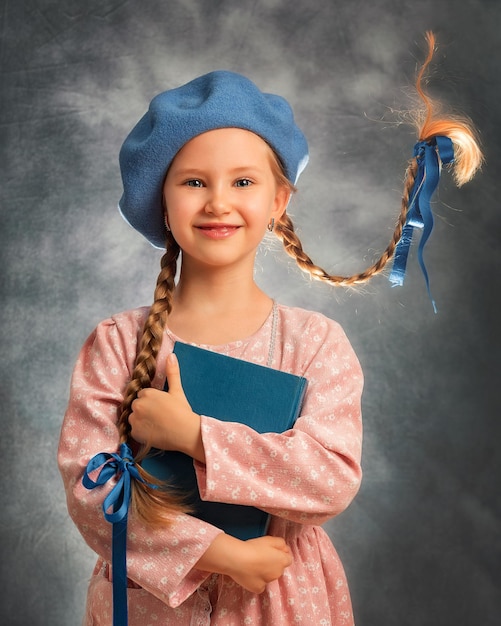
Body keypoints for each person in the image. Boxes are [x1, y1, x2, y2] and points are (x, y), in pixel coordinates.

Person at [58, 33, 482, 626]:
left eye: (243, 181)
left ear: (281, 199)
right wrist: (223, 554)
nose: (217, 203)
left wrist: (196, 436)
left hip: (281, 599)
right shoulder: (117, 343)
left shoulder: (315, 343)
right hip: (150, 604)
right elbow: (90, 491)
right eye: (194, 181)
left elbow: (330, 478)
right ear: (162, 198)